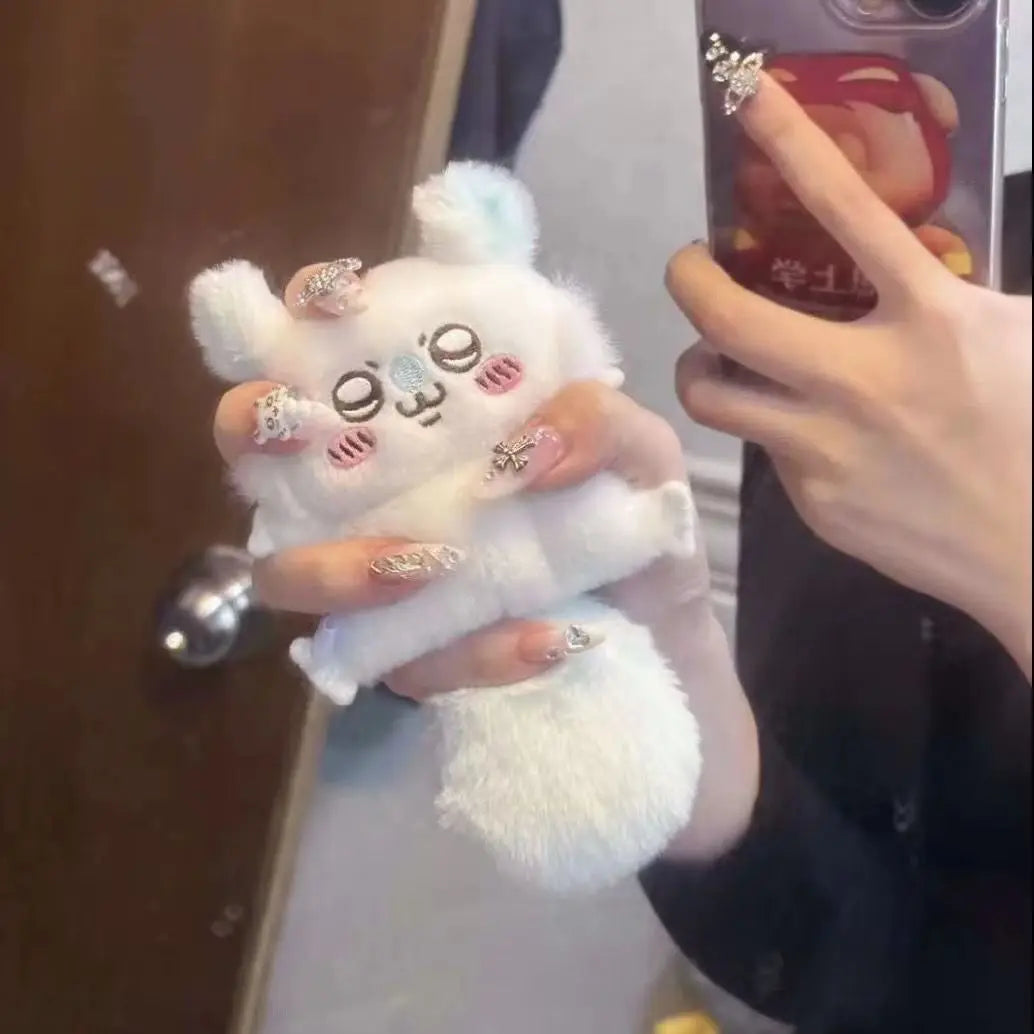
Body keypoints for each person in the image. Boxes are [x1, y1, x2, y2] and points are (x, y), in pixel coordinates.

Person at [211, 75, 1031, 1033]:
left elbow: (925, 991)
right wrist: (659, 632)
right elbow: (852, 936)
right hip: (793, 819)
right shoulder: (989, 229)